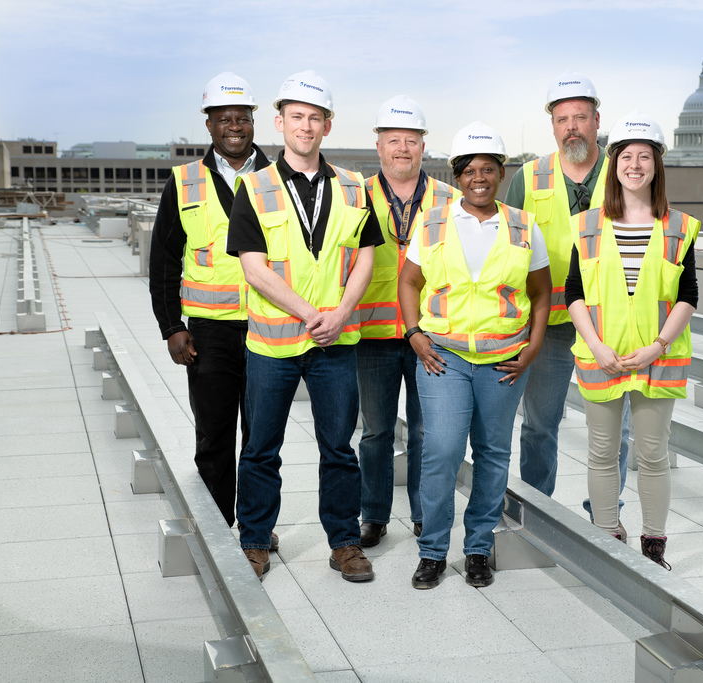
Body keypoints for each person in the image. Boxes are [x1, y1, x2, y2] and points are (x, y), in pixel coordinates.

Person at [226, 70, 384, 581]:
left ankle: (343, 542)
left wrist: (339, 315)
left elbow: (366, 258)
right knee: (260, 448)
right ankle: (254, 540)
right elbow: (254, 267)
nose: (305, 126)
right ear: (279, 122)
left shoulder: (355, 188)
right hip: (273, 345)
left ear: (328, 126)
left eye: (315, 118)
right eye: (296, 117)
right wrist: (310, 313)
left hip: (335, 343)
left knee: (338, 448)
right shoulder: (254, 187)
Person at [398, 122, 551, 589]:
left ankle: (479, 548)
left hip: (504, 362)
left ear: (501, 173)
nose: (478, 178)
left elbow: (542, 294)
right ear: (458, 175)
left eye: (488, 169)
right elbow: (407, 282)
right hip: (443, 358)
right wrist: (414, 334)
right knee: (442, 450)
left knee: (491, 453)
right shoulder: (434, 222)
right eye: (469, 170)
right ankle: (432, 552)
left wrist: (533, 348)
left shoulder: (525, 227)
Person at [565, 113, 699, 570]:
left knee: (652, 454)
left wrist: (658, 345)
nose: (635, 164)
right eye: (627, 156)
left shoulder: (679, 226)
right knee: (602, 452)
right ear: (613, 163)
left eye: (645, 156)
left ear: (657, 165)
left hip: (656, 359)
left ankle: (654, 545)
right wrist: (597, 346)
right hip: (601, 357)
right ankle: (606, 535)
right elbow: (573, 293)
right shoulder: (585, 225)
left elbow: (689, 295)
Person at [148, 73, 276, 550]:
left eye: (242, 118)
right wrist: (170, 327)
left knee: (261, 440)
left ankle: (257, 531)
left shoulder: (277, 178)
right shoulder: (184, 181)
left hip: (269, 328)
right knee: (215, 438)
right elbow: (162, 258)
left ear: (253, 121)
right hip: (209, 333)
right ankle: (220, 534)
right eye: (225, 119)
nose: (235, 126)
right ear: (209, 124)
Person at [504, 71, 631, 508]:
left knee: (616, 430)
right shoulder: (528, 177)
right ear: (552, 125)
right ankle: (537, 510)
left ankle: (605, 514)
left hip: (610, 324)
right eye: (562, 119)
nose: (571, 127)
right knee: (540, 424)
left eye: (580, 117)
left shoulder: (626, 173)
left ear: (598, 120)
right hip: (551, 327)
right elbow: (509, 251)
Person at [355, 96, 461, 547]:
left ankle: (422, 513)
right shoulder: (356, 194)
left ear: (423, 146)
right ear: (378, 145)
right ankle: (374, 515)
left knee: (425, 431)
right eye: (394, 140)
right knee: (376, 432)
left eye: (411, 141)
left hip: (430, 336)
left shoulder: (448, 199)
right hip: (373, 335)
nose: (403, 148)